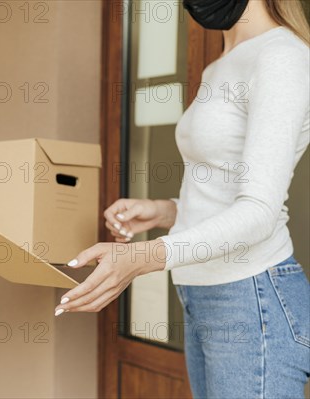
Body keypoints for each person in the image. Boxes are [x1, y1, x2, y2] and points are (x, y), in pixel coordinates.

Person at [55, 0, 310, 397]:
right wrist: (163, 211)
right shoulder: (220, 64)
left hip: (251, 297)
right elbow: (223, 188)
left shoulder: (281, 57)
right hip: (199, 291)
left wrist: (143, 257)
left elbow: (259, 212)